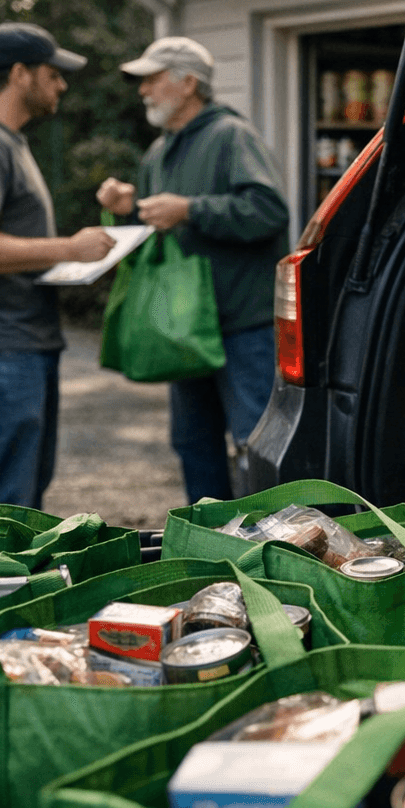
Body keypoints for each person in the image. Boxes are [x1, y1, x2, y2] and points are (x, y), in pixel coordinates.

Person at [0, 22, 117, 510]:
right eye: (53, 74)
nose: (62, 85)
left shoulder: (2, 140)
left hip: (14, 345)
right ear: (19, 74)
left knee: (20, 503)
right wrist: (68, 249)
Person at [96, 36, 289, 502]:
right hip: (182, 329)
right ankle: (207, 536)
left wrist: (189, 209)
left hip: (241, 326)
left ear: (189, 83)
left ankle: (270, 539)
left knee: (255, 444)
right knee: (193, 444)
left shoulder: (232, 136)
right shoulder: (156, 154)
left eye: (152, 79)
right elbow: (158, 232)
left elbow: (268, 211)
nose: (143, 90)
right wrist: (128, 209)